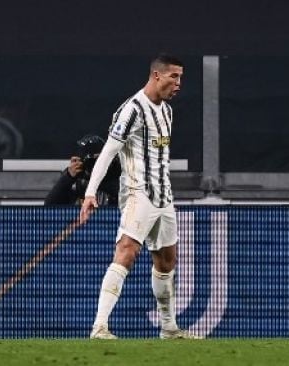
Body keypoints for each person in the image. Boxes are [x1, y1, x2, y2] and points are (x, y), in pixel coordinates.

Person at [79, 54, 200, 340]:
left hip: (164, 197)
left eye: (180, 77)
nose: (178, 83)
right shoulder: (131, 109)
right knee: (127, 250)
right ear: (157, 75)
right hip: (138, 194)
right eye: (174, 77)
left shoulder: (167, 112)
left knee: (166, 262)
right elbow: (109, 151)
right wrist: (90, 191)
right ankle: (99, 326)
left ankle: (169, 328)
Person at [44, 134, 120, 206]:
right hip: (82, 218)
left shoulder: (116, 172)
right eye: (90, 160)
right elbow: (50, 205)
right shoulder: (77, 177)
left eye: (98, 160)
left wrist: (104, 172)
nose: (94, 165)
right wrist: (68, 177)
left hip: (112, 217)